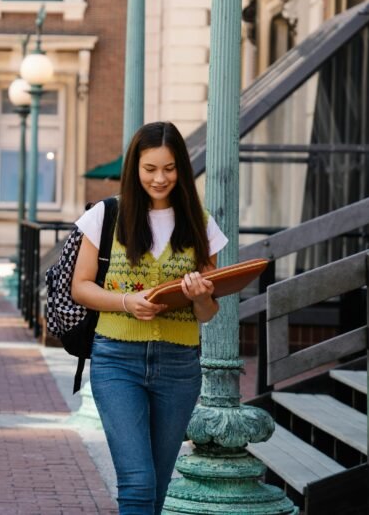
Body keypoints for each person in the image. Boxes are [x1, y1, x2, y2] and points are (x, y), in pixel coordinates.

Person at [71, 121, 227, 515]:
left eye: (170, 169)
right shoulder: (106, 215)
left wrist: (201, 296)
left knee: (156, 489)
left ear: (182, 170)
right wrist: (127, 303)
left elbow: (207, 314)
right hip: (116, 360)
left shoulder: (201, 224)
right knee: (138, 484)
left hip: (179, 366)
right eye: (150, 169)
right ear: (134, 168)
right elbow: (81, 287)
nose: (160, 178)